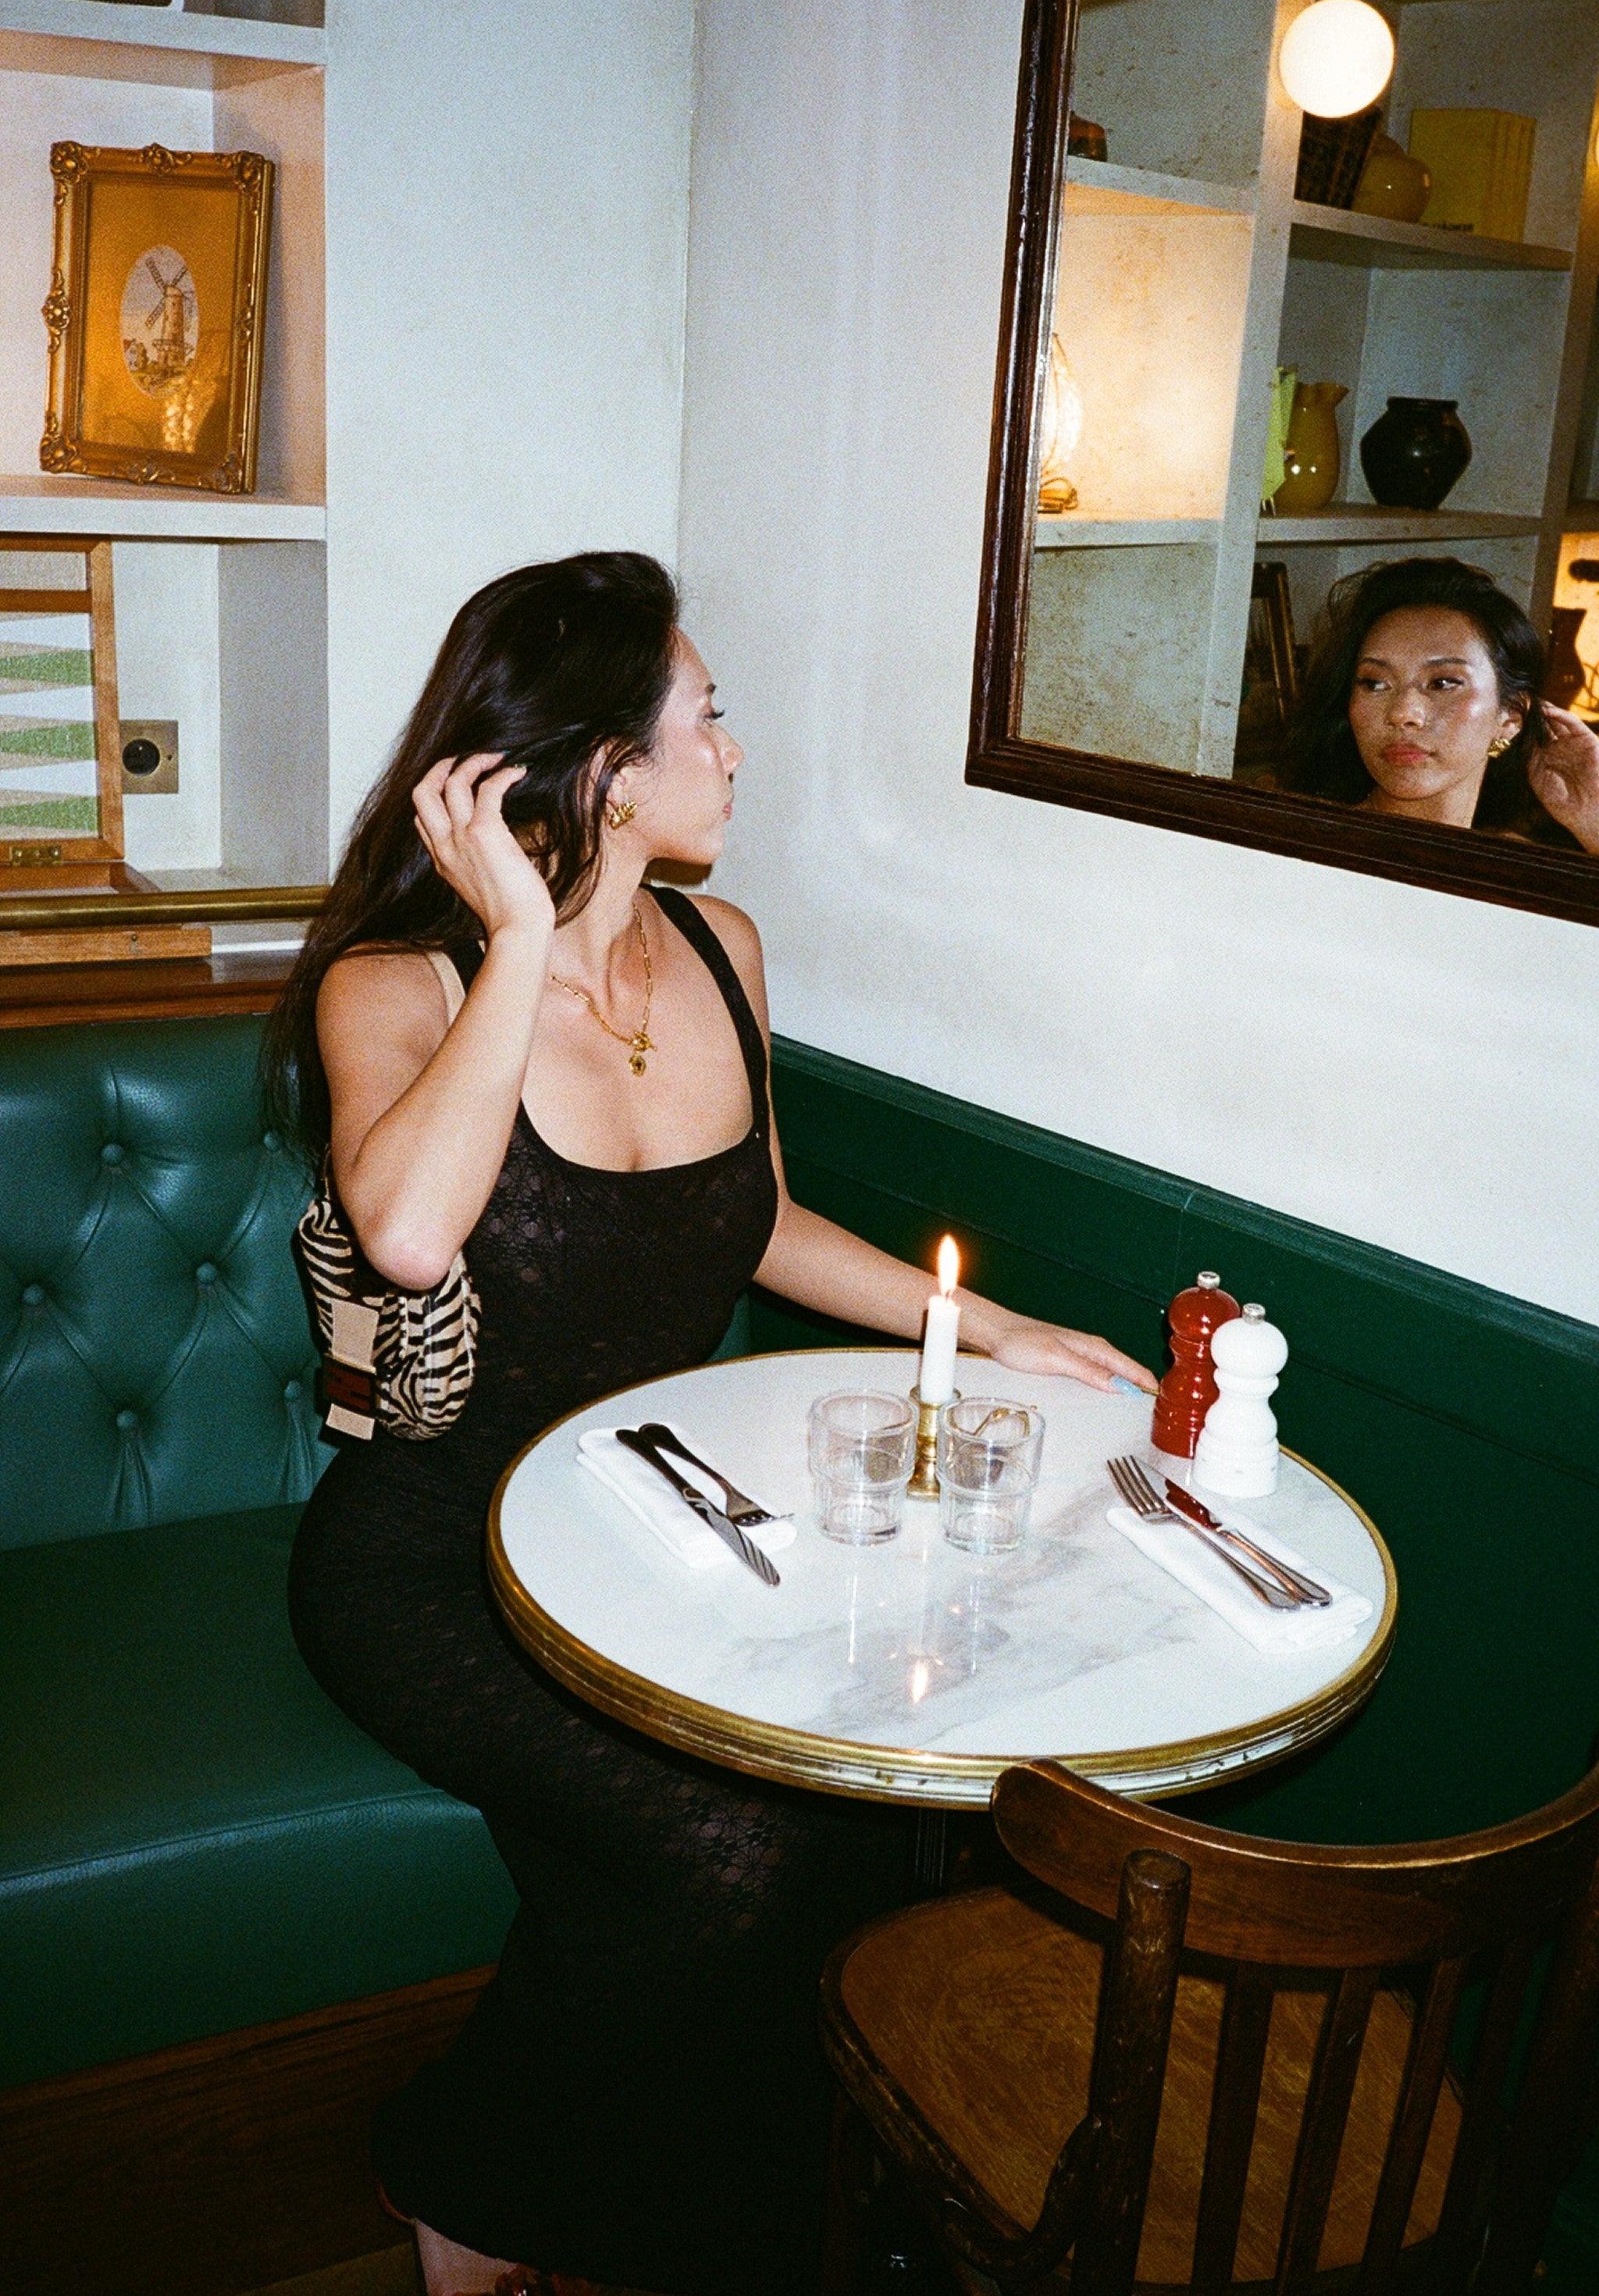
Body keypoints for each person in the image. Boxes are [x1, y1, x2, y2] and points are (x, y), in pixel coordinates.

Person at [266, 551, 1156, 2296]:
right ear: (603, 766)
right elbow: (417, 1235)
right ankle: (456, 2179)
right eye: (711, 718)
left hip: (672, 1533)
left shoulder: (722, 947)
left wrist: (997, 1332)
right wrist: (523, 937)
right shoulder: (400, 984)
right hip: (430, 1560)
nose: (738, 755)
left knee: (858, 1834)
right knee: (726, 1859)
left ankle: (719, 2225)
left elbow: (752, 1219)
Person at [1278, 556, 1599, 851]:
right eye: (1374, 683)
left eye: (1443, 683)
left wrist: (1593, 820)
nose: (1403, 713)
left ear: (1511, 716)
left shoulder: (1520, 867)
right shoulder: (1302, 850)